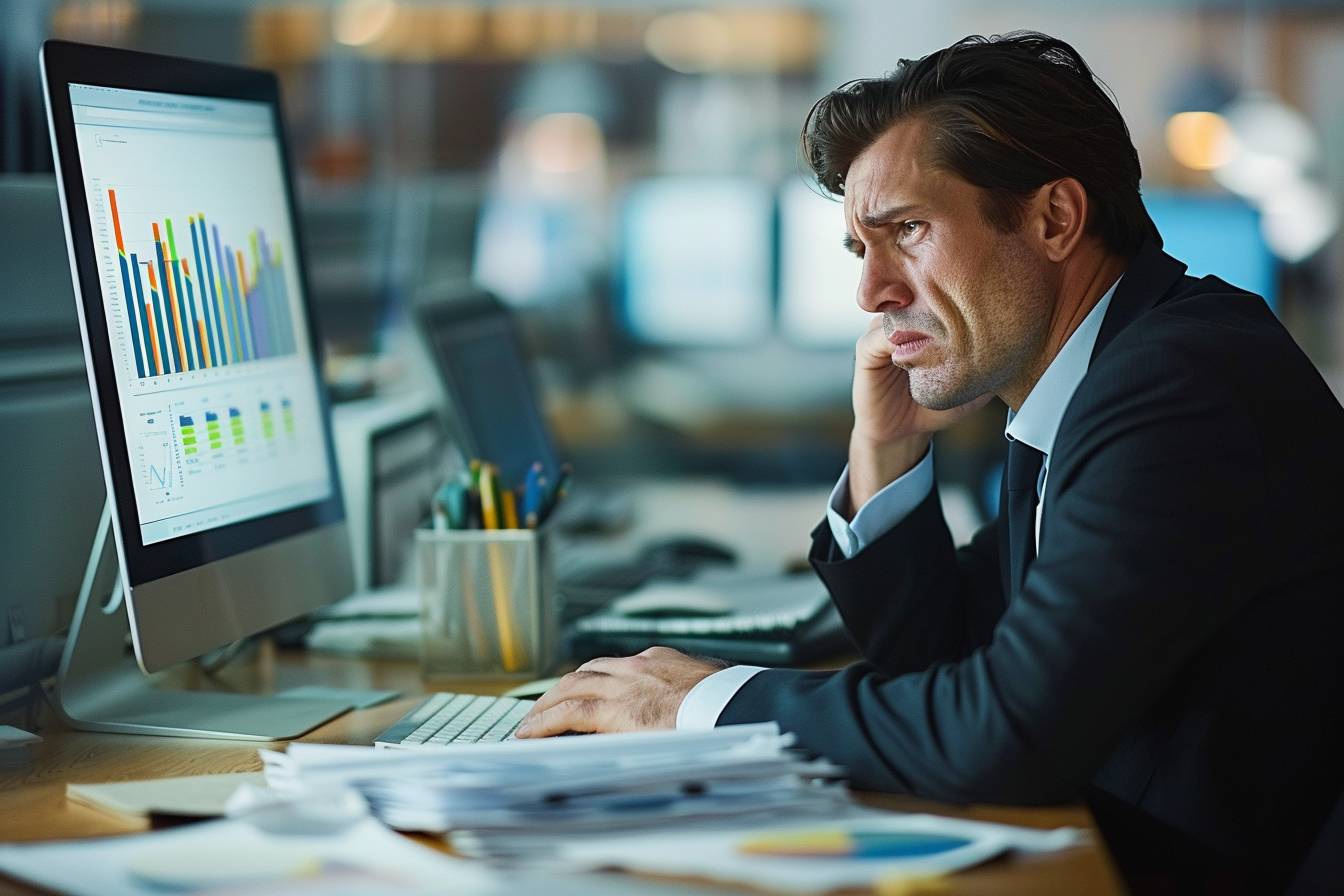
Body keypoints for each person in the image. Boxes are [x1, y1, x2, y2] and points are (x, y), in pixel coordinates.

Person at [516, 32, 1344, 890]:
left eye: (907, 230)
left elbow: (1004, 731)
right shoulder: (1095, 378)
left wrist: (695, 704)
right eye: (858, 249)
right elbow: (948, 663)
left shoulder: (1178, 387)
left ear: (1054, 218)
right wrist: (886, 448)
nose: (871, 292)